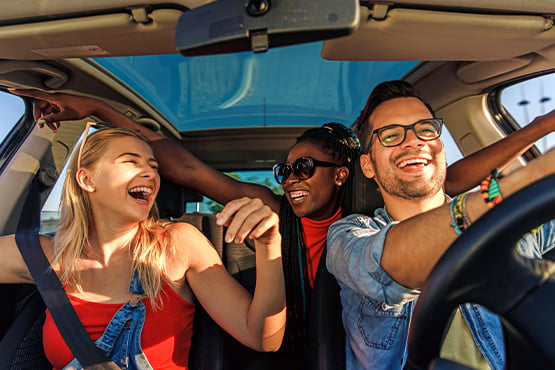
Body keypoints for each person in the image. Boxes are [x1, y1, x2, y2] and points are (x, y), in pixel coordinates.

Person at [9, 88, 555, 367]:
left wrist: (537, 132)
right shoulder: (298, 219)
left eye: (303, 168)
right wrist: (98, 112)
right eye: (283, 170)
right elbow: (184, 166)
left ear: (345, 173)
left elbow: (447, 180)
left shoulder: (359, 217)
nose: (290, 179)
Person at [0, 126, 286, 369]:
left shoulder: (178, 245)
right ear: (87, 179)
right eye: (132, 162)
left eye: (153, 167)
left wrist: (270, 246)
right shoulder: (43, 255)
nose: (151, 174)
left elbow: (262, 338)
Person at [326, 80, 555, 369]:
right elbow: (388, 264)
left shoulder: (507, 221)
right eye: (391, 134)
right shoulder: (348, 235)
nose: (414, 141)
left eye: (425, 129)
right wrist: (523, 182)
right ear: (368, 165)